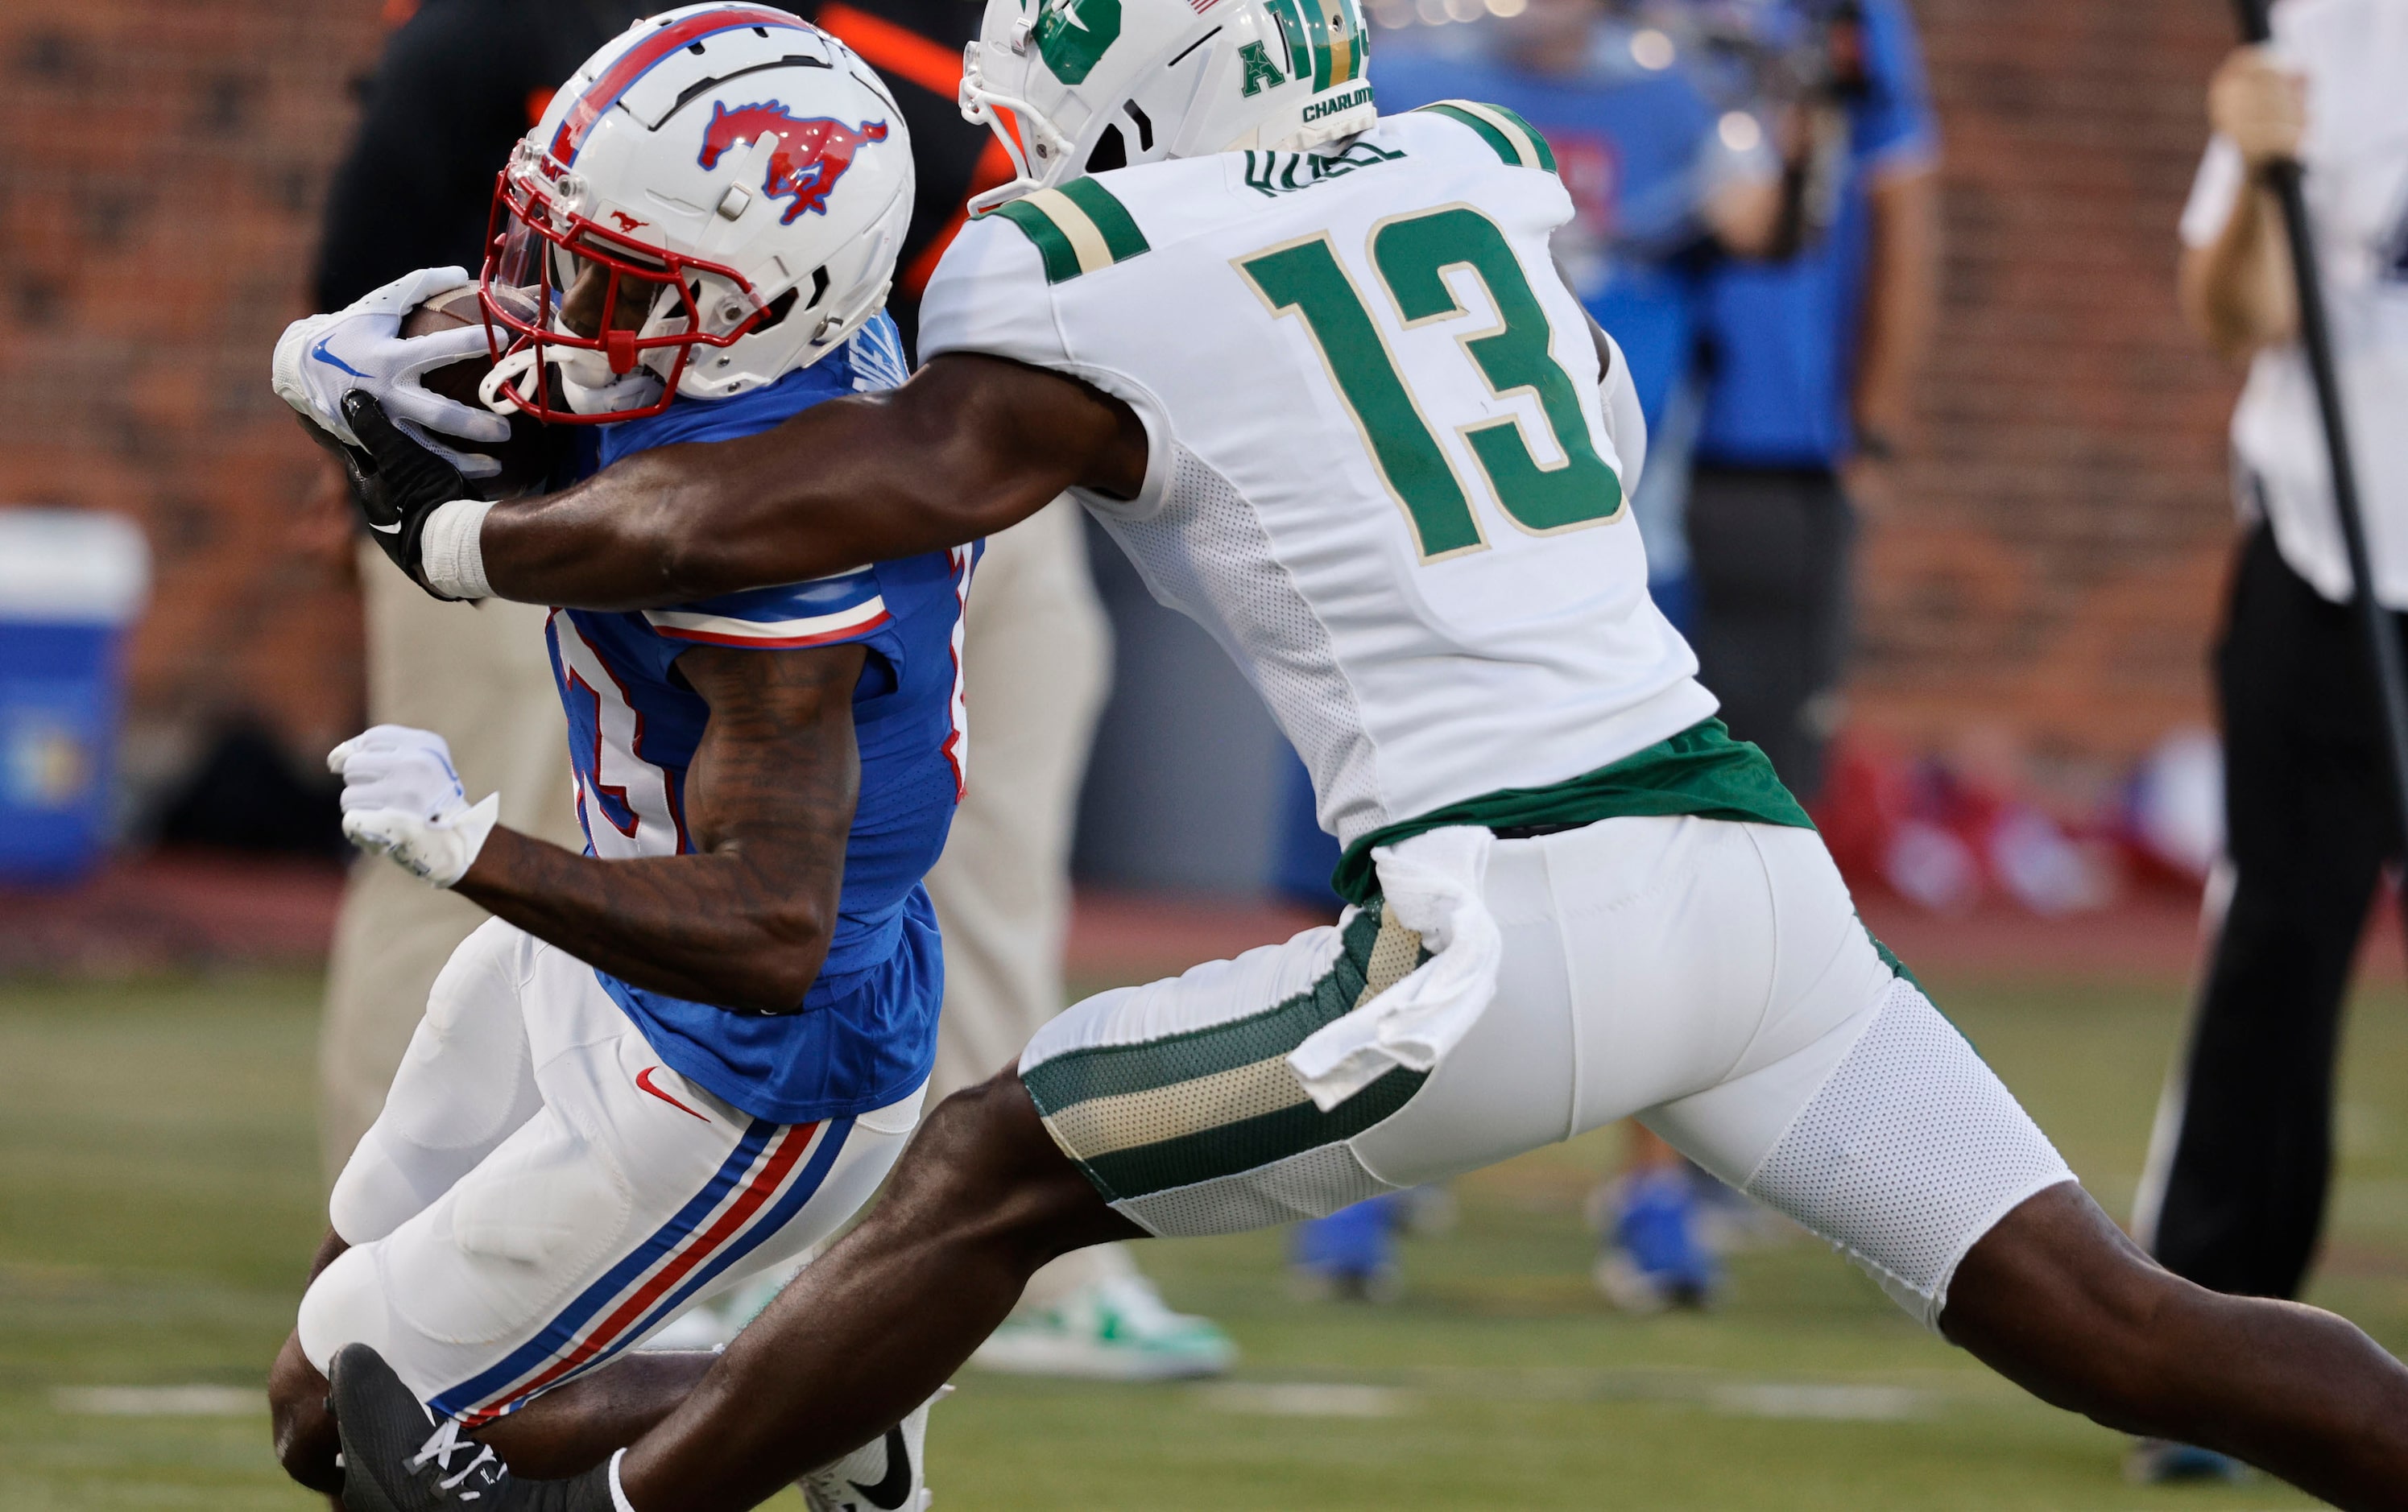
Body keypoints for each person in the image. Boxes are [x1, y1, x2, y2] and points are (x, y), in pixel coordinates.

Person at [298, 0, 2408, 1502]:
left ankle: (604, 1499)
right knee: (2114, 1318)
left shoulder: (1095, 263)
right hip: (1745, 867)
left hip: (1507, 912)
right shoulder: (1473, 172)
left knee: (982, 1168)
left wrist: (476, 531)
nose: (1023, 153)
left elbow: (844, 486)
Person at [264, 14, 955, 1509]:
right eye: (557, 246)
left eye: (617, 284)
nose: (553, 306)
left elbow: (770, 935)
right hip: (605, 946)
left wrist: (471, 853)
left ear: (767, 305)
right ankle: (832, 1395)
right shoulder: (738, 345)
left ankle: (825, 1385)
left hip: (749, 1057)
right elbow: (530, 377)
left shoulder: (779, 540)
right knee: (318, 1369)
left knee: (362, 1425)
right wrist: (324, 364)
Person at [1369, 0, 1784, 1313]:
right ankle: (1365, 1175)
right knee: (1401, 866)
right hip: (1438, 548)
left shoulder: (1668, 96)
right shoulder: (1414, 85)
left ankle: (1655, 1187)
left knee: (1655, 876)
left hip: (1618, 552)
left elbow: (1761, 217)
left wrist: (1766, 99)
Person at [307, 0, 660, 1187]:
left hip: (657, 520)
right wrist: (380, 472)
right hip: (480, 511)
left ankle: (556, 1219)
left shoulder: (747, 35)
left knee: (624, 856)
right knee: (445, 844)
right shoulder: (497, 27)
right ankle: (386, 1232)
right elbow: (365, 279)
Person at [2127, 0, 2408, 1485]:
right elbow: (2236, 315)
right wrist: (2251, 174)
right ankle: (2215, 1351)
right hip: (2323, 559)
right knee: (2278, 951)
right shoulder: (2317, 30)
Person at [1685, 0, 1938, 803]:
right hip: (1604, 445)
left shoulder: (1843, 17)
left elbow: (1900, 208)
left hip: (1768, 449)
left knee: (1758, 786)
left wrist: (1874, 427)